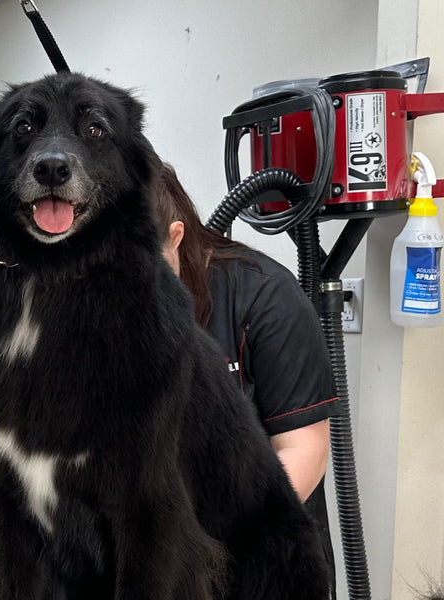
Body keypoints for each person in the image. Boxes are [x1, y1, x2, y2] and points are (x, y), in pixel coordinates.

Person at [153, 164, 342, 597]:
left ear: (176, 237)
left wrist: (211, 545)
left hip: (259, 545)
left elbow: (303, 447)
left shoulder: (265, 297)